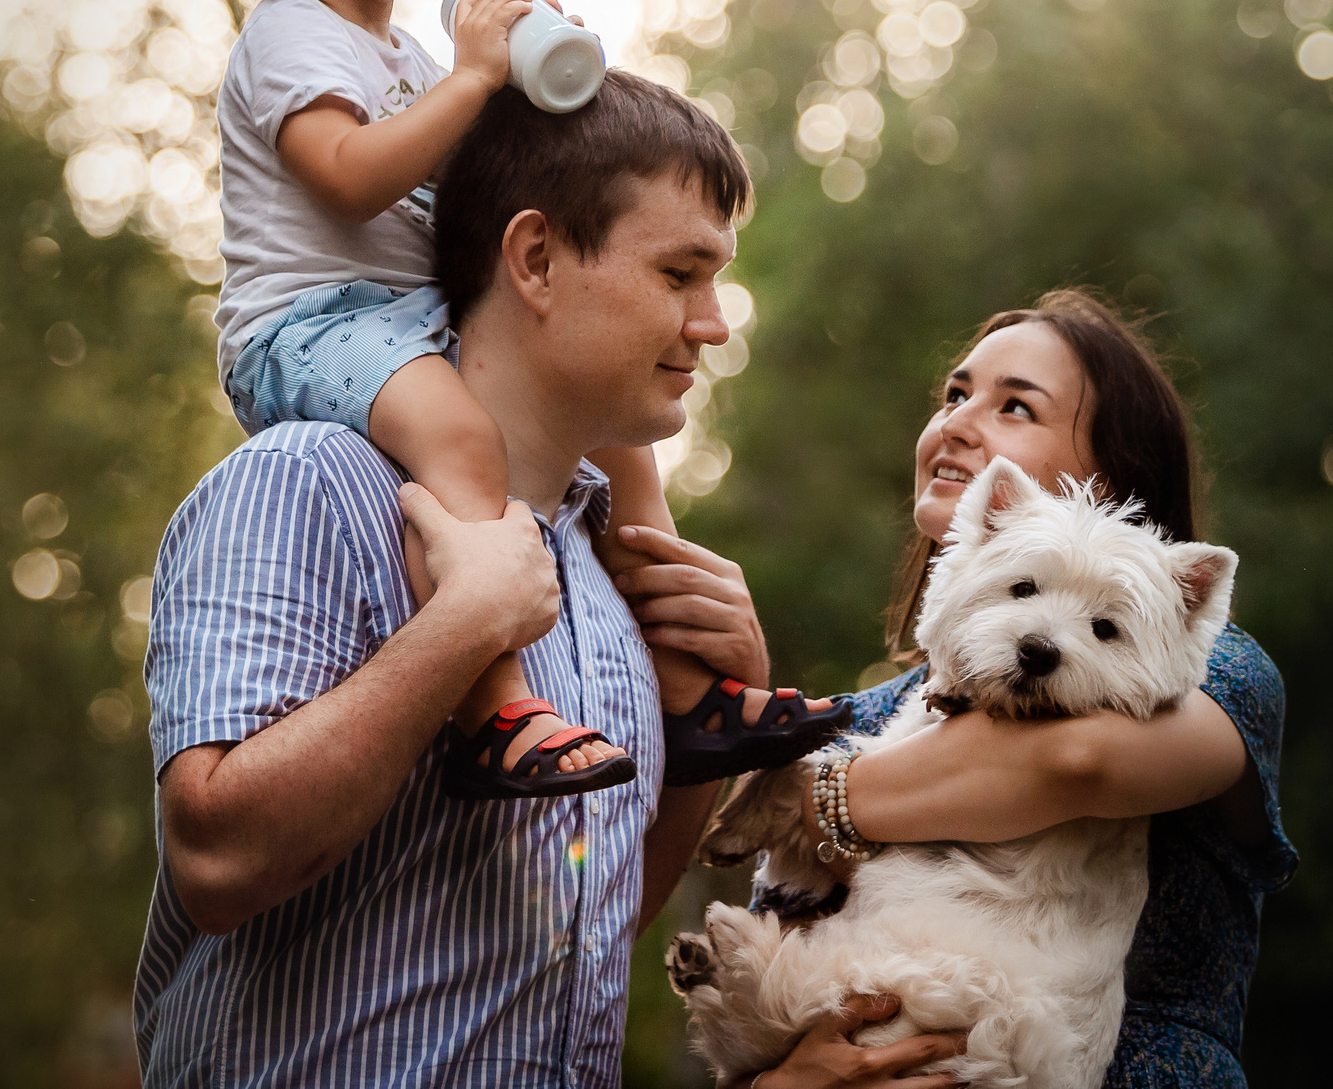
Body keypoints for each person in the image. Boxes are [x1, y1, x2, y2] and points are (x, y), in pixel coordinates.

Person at [141, 70, 830, 1083]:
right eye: (681, 274)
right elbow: (215, 862)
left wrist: (701, 744)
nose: (715, 323)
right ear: (538, 258)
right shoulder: (305, 486)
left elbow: (583, 930)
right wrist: (460, 629)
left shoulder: (610, 572)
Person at [209, 0, 842, 795]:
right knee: (459, 436)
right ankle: (494, 707)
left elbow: (488, 177)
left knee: (619, 438)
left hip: (399, 318)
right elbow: (354, 177)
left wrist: (551, 91)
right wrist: (469, 80)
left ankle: (688, 687)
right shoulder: (290, 36)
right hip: (307, 325)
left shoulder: (406, 57)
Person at [655, 290, 1296, 1089]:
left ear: (1114, 478)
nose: (957, 422)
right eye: (955, 394)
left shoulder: (1220, 670)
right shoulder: (874, 712)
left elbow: (1079, 759)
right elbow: (768, 945)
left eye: (1016, 405)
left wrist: (807, 794)